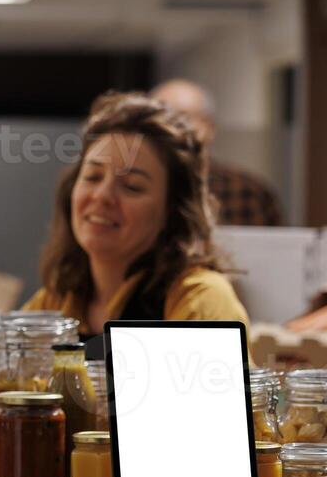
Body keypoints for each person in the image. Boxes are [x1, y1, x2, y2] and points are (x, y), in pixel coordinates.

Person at [23, 91, 248, 342]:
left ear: (172, 210)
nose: (102, 196)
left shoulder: (200, 300)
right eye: (92, 177)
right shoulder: (57, 300)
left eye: (132, 186)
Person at [151, 78, 283, 227]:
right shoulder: (132, 189)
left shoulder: (247, 192)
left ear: (209, 126)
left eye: (183, 117)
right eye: (160, 120)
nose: (171, 129)